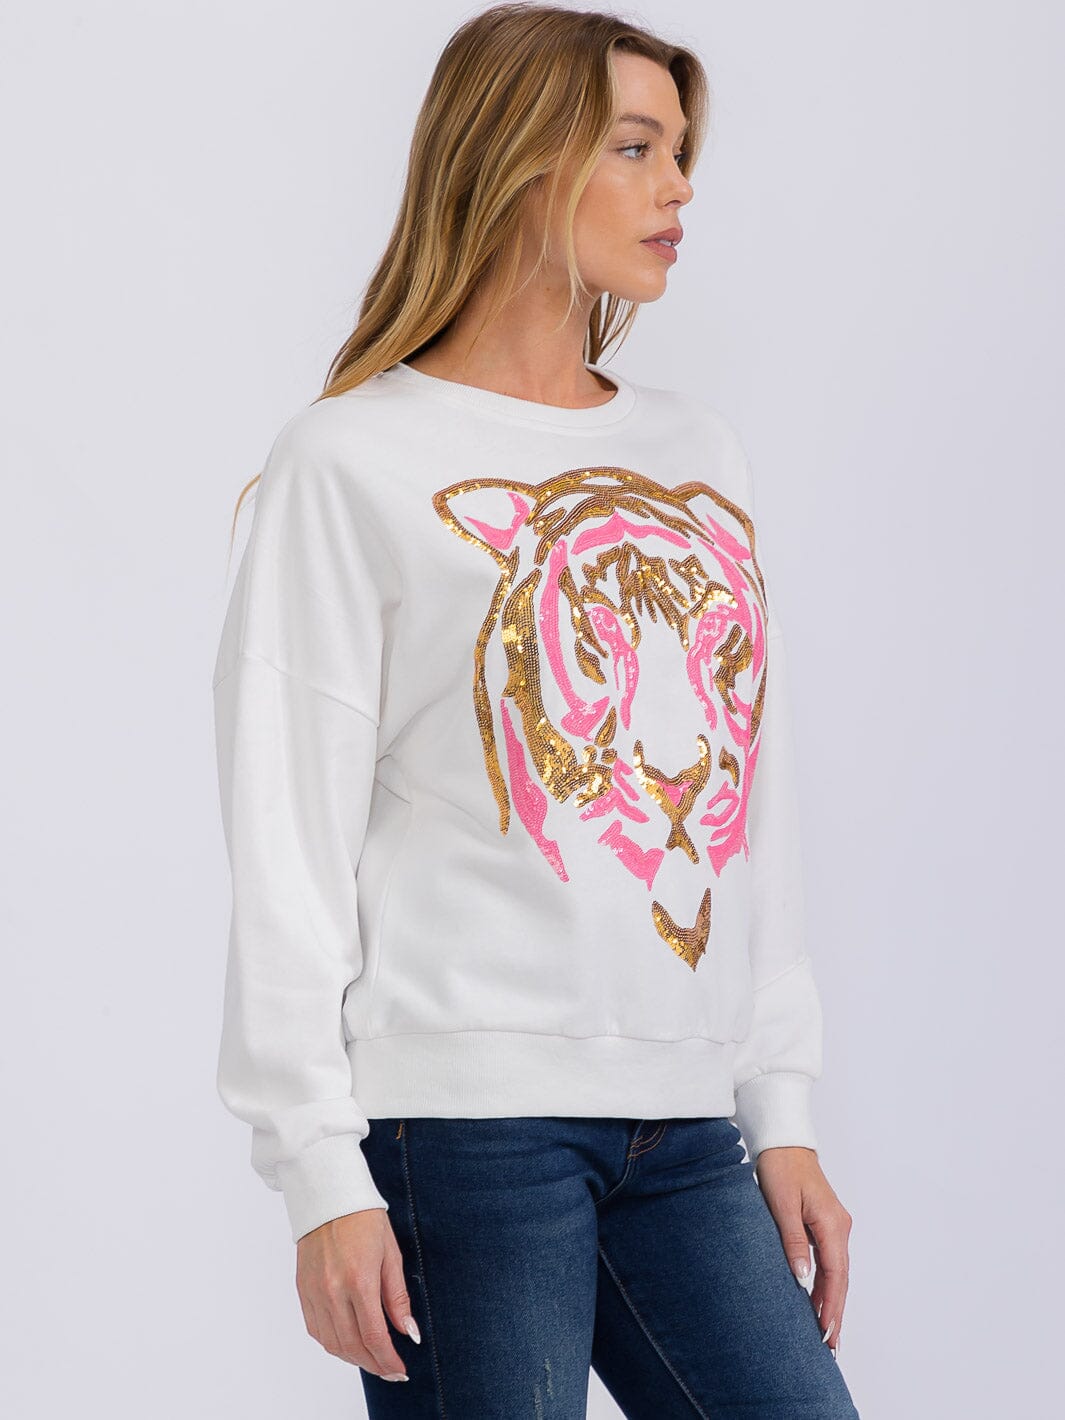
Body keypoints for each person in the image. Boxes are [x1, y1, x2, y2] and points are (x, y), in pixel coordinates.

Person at [211, 4, 861, 1416]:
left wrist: (781, 1107)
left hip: (684, 1128)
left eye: (680, 152)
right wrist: (320, 1169)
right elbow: (287, 834)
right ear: (516, 164)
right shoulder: (349, 461)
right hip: (462, 1129)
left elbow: (752, 800)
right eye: (634, 148)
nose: (678, 187)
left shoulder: (697, 454)